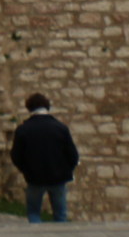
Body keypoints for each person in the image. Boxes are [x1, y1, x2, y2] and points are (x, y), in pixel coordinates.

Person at [10, 93, 79, 223]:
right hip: (58, 177)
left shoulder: (23, 129)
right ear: (47, 107)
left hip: (34, 177)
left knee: (34, 212)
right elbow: (73, 155)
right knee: (60, 214)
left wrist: (26, 170)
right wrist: (66, 170)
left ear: (29, 108)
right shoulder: (60, 128)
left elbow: (16, 156)